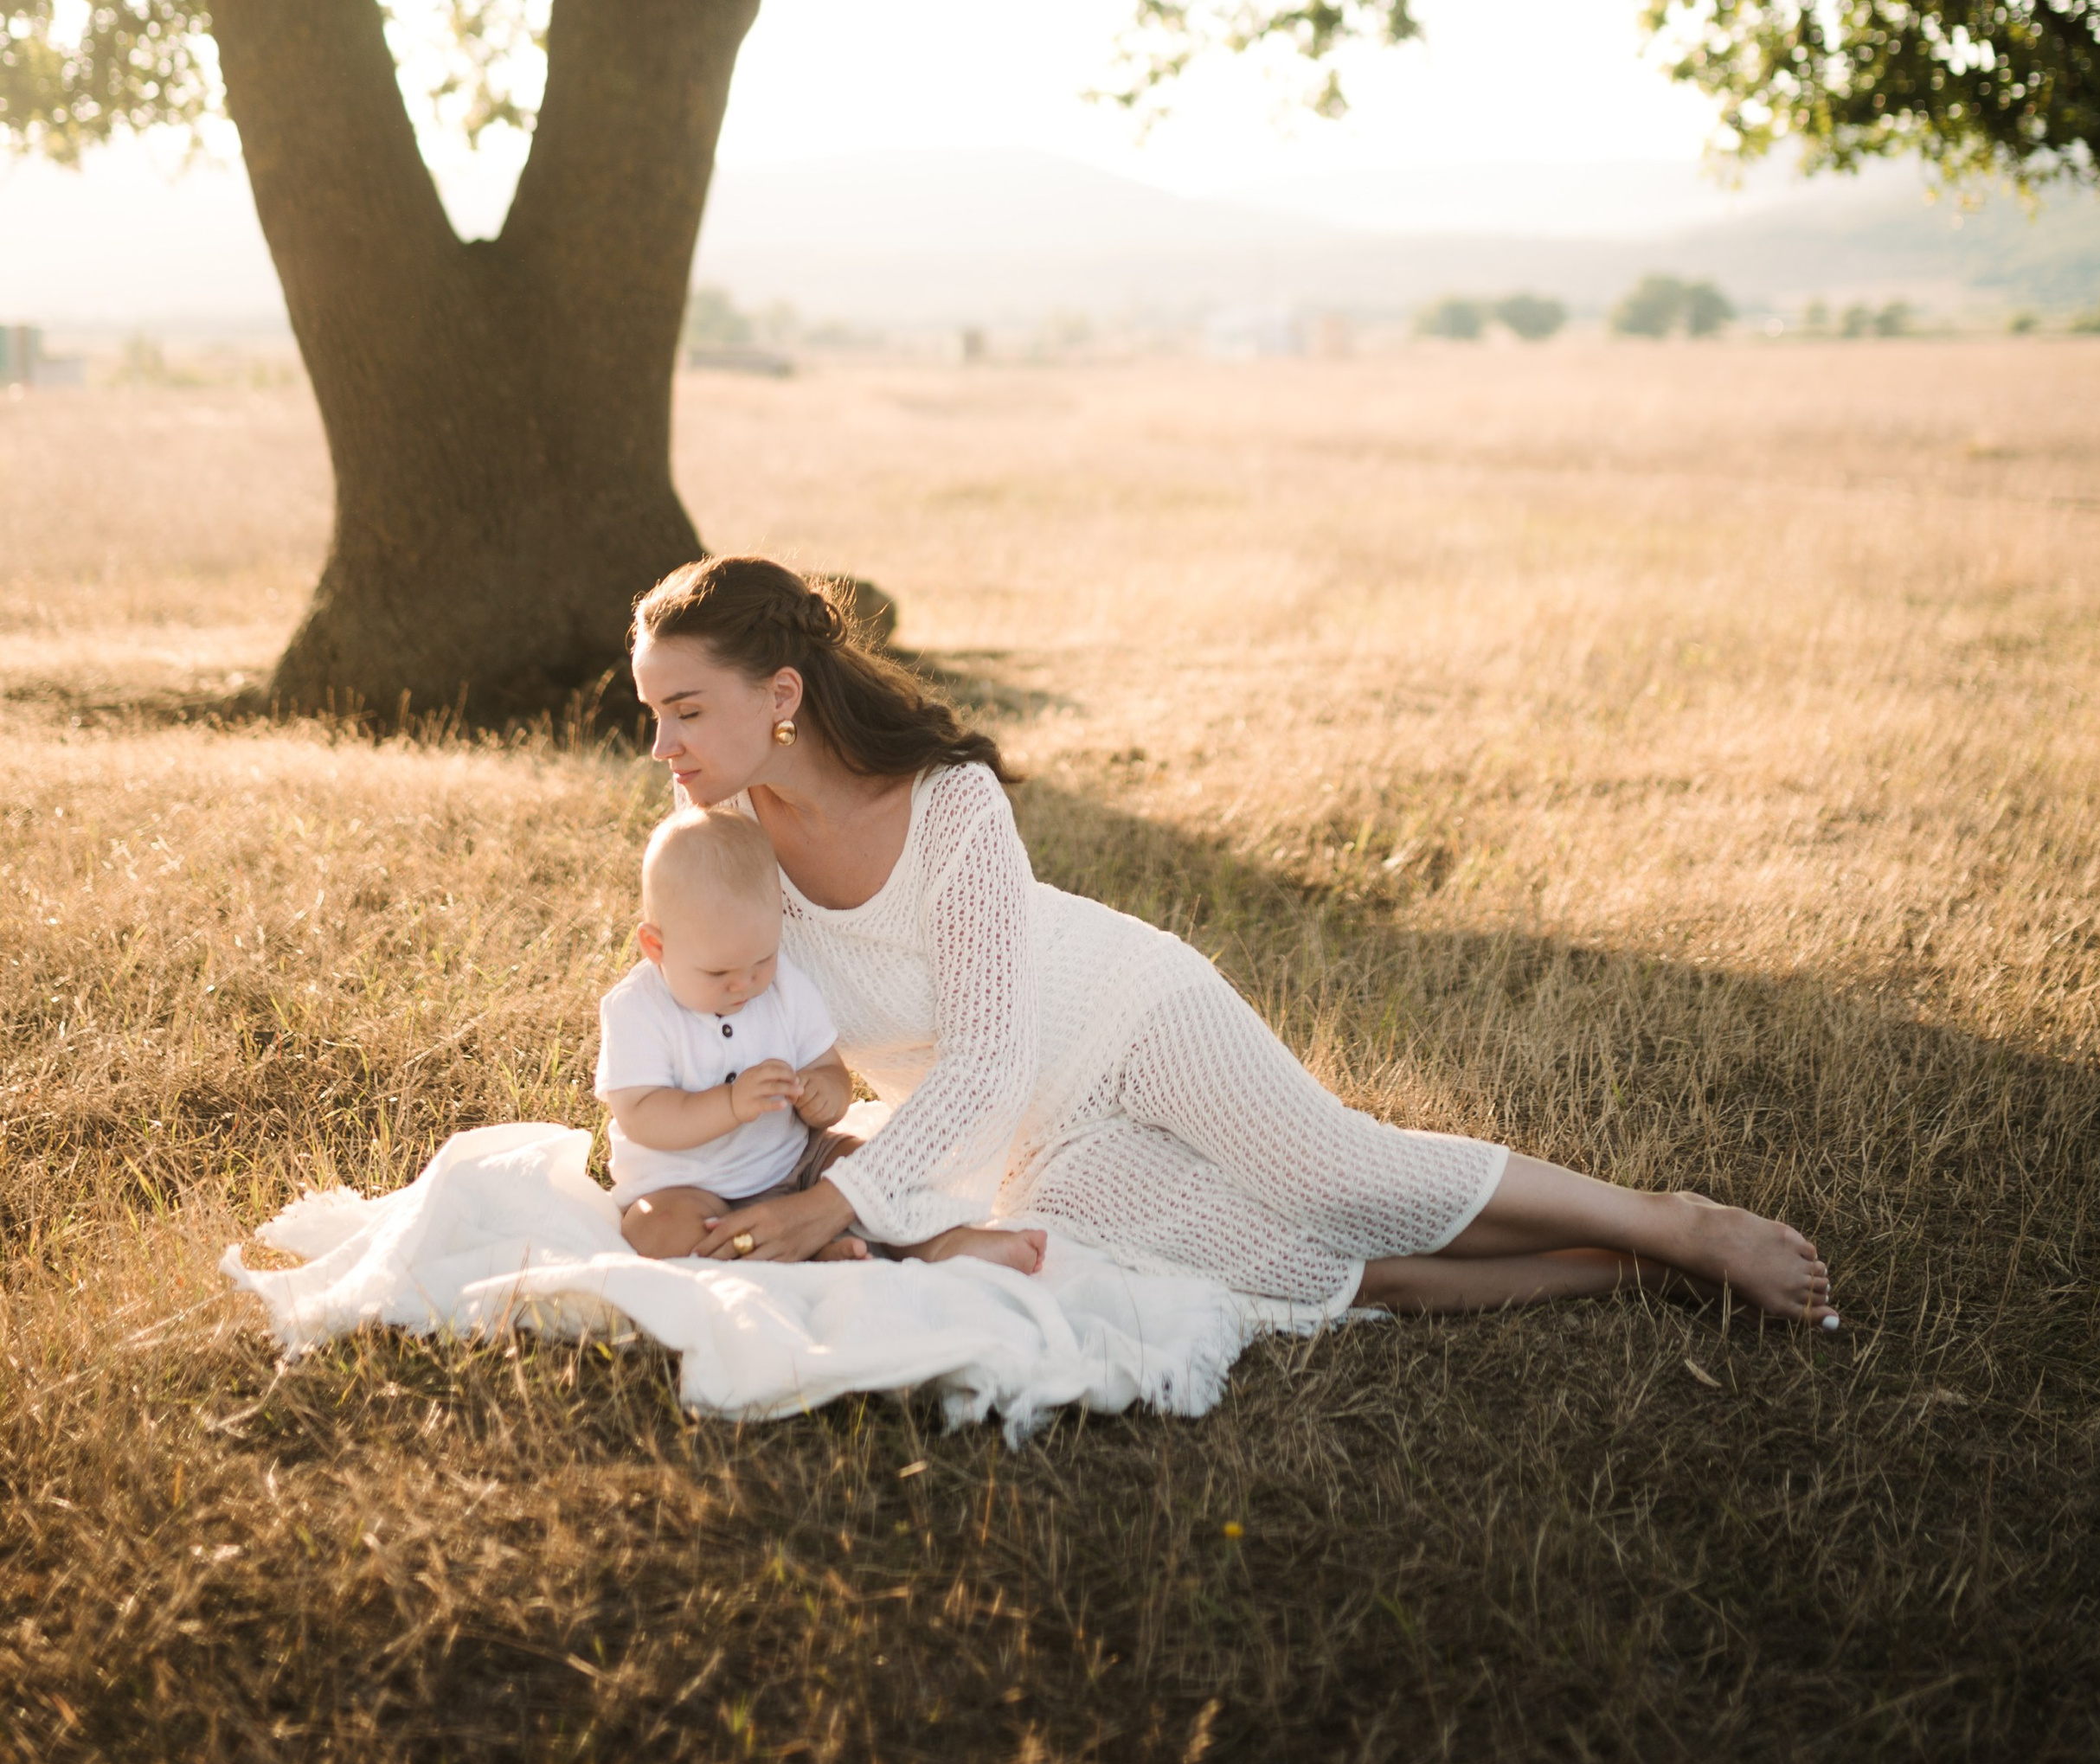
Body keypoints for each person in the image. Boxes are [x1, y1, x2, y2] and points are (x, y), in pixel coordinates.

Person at [628, 556, 1837, 1327]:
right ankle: (1642, 1278)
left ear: (780, 697)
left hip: (1123, 1016)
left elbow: (991, 1053)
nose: (662, 746)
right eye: (652, 714)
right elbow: (695, 1011)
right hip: (1025, 1140)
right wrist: (753, 1163)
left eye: (685, 711)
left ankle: (1671, 1220)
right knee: (1300, 1272)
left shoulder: (949, 802)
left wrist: (840, 1198)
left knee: (1340, 1178)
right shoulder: (720, 847)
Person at [596, 803, 1045, 1273]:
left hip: (795, 1163)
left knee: (866, 1167)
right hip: (685, 1186)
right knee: (657, 1230)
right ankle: (808, 1253)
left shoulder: (784, 987)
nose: (745, 984)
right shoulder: (637, 1009)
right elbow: (642, 1116)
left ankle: (942, 1242)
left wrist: (823, 1095)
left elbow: (828, 1067)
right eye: (719, 972)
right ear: (656, 946)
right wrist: (730, 1104)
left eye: (761, 960)